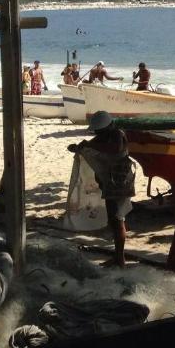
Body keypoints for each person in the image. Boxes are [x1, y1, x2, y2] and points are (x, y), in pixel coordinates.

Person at [67, 111, 135, 265]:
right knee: (115, 220)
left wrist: (88, 145)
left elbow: (114, 149)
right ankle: (118, 257)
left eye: (99, 130)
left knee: (117, 220)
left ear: (107, 127)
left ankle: (120, 258)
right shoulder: (105, 136)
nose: (97, 133)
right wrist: (78, 148)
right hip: (111, 182)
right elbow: (92, 145)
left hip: (119, 183)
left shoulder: (117, 135)